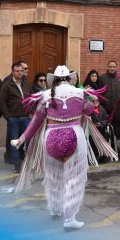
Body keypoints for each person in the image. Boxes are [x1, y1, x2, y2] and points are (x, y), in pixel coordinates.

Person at [12, 65, 98, 229]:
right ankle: (69, 218)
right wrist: (93, 103)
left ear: (54, 80)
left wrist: (22, 138)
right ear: (69, 78)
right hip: (74, 136)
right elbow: (89, 111)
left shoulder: (45, 96)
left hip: (51, 137)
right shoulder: (80, 93)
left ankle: (55, 209)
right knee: (74, 178)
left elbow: (37, 120)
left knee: (54, 176)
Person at [0, 62, 33, 173]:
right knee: (15, 143)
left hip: (26, 118)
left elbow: (32, 99)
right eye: (17, 71)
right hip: (14, 119)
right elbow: (2, 101)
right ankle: (17, 164)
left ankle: (27, 162)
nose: (20, 73)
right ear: (13, 72)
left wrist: (31, 112)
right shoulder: (7, 85)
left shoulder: (27, 84)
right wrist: (8, 117)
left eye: (21, 71)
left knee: (28, 141)